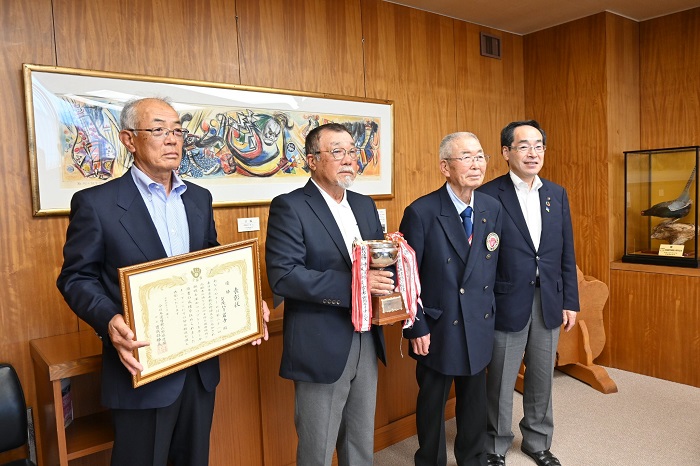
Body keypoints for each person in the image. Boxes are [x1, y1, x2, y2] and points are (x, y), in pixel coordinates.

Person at [57, 97, 269, 466]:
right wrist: (108, 319)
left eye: (177, 130)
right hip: (142, 369)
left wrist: (247, 301)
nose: (172, 140)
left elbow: (211, 259)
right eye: (158, 130)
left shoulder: (199, 199)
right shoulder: (97, 204)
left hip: (200, 367)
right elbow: (76, 277)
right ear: (128, 139)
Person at [265, 122, 392, 466]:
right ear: (312, 160)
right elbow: (285, 276)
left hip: (367, 336)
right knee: (317, 449)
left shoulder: (365, 205)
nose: (349, 159)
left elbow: (377, 263)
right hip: (320, 341)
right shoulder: (290, 206)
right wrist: (357, 287)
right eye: (337, 152)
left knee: (360, 441)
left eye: (352, 151)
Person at [478, 120, 579, 466]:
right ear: (506, 153)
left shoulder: (556, 193)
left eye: (538, 146)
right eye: (524, 146)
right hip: (506, 300)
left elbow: (565, 251)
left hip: (548, 299)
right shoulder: (489, 195)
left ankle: (538, 441)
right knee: (502, 380)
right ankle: (495, 444)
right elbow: (481, 257)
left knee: (541, 377)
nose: (533, 153)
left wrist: (570, 301)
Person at [400, 132, 503, 466]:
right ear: (445, 166)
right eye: (466, 157)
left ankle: (472, 459)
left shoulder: (492, 207)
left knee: (474, 401)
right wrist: (415, 326)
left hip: (478, 321)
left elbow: (491, 267)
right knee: (432, 403)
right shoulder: (421, 211)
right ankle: (429, 461)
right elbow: (407, 277)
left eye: (480, 156)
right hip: (438, 324)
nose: (476, 164)